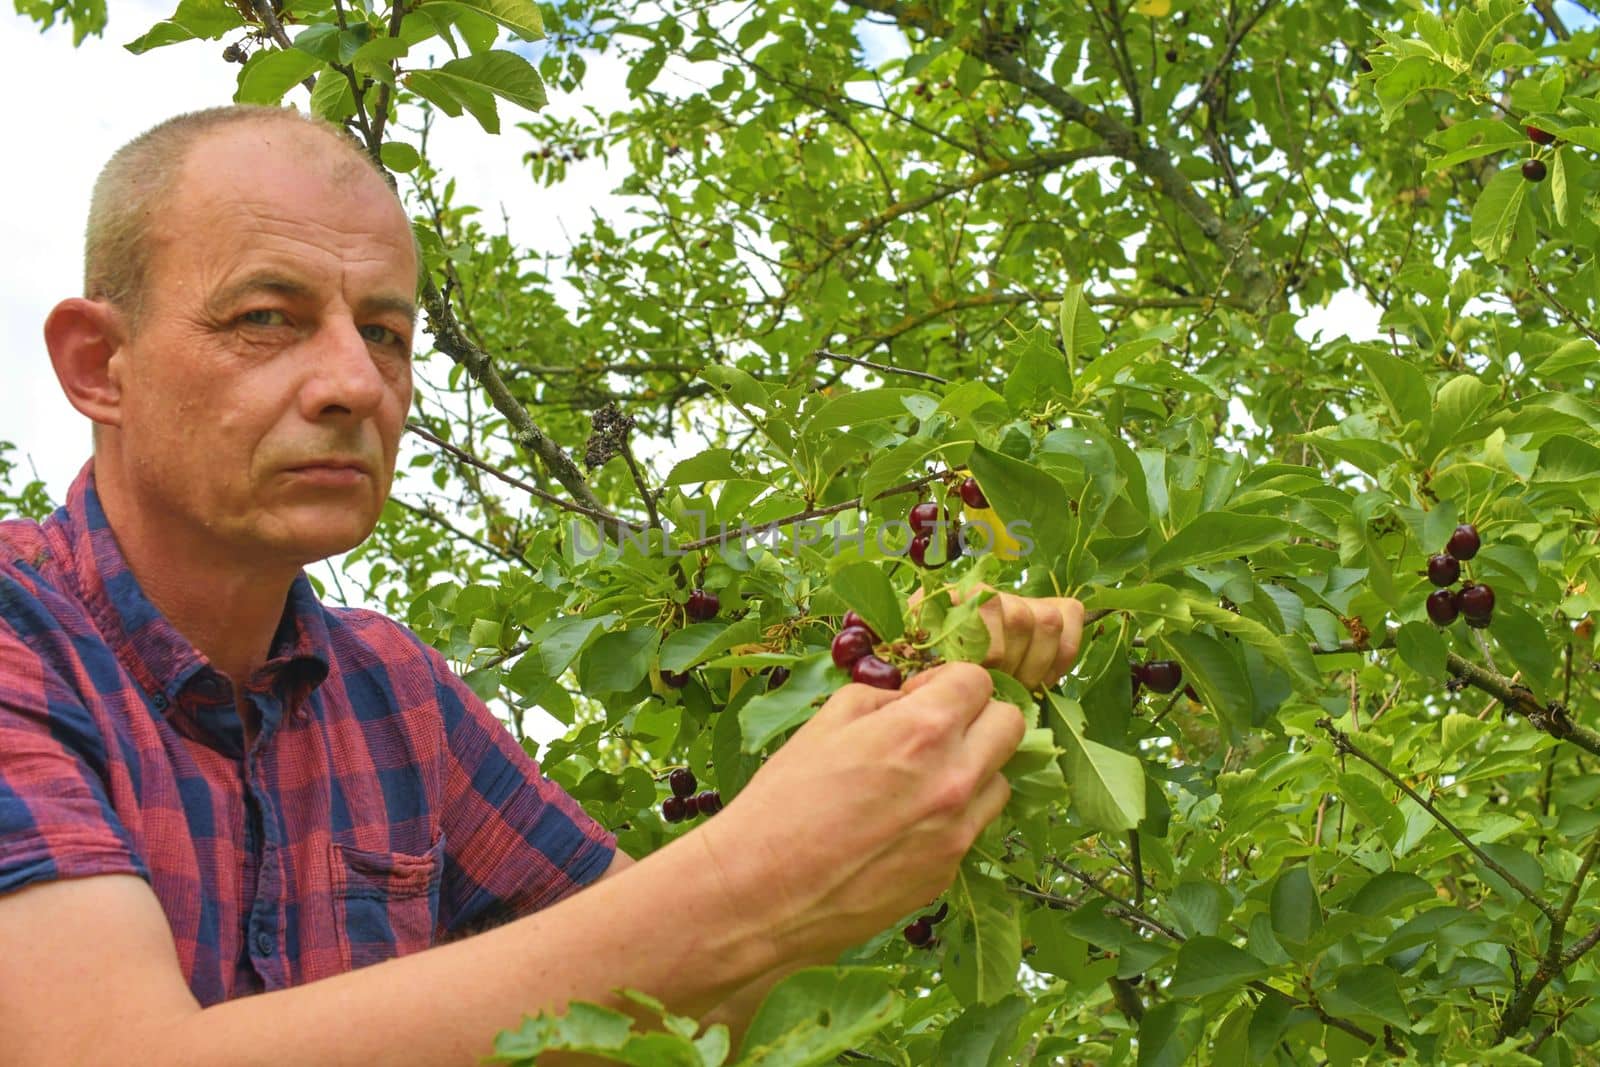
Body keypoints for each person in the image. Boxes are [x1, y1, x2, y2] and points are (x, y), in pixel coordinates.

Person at [0, 104, 1085, 1065]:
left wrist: (885, 740)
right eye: (265, 317)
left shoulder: (393, 693)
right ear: (101, 364)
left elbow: (663, 1014)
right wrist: (755, 878)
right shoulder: (19, 630)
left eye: (384, 332)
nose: (350, 383)